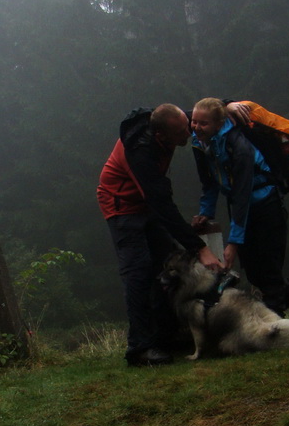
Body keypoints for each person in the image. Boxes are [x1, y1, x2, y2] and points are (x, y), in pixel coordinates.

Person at [98, 102, 248, 366]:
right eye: (181, 133)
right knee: (139, 272)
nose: (189, 132)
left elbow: (203, 113)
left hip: (146, 203)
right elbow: (162, 205)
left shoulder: (173, 122)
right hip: (122, 206)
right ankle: (140, 348)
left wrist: (228, 104)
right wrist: (200, 248)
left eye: (188, 126)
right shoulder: (140, 152)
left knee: (169, 265)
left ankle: (166, 335)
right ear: (161, 135)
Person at [189, 97, 289, 337]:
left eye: (203, 123)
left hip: (266, 207)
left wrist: (234, 242)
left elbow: (243, 194)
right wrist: (206, 212)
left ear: (218, 123)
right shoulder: (201, 142)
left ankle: (274, 333)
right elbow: (209, 182)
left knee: (270, 273)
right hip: (241, 208)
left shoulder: (239, 146)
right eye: (193, 121)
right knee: (255, 274)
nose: (196, 127)